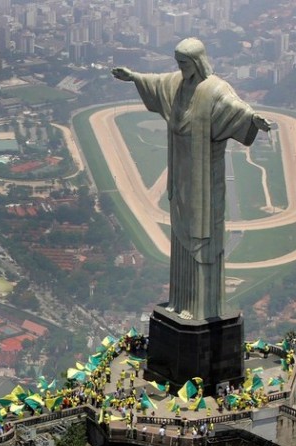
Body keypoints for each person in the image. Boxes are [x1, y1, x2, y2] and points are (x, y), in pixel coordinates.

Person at [112, 38, 271, 321]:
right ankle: (180, 302)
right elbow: (156, 83)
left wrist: (254, 119)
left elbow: (236, 108)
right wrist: (133, 77)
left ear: (198, 62)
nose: (181, 68)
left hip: (205, 181)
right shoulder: (175, 84)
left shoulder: (214, 90)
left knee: (204, 236)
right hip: (182, 177)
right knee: (181, 237)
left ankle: (204, 308)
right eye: (178, 63)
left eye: (185, 63)